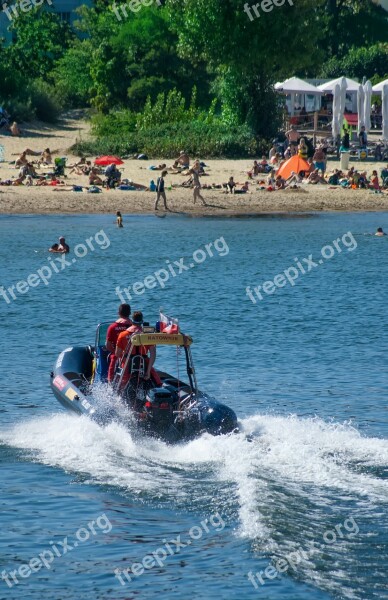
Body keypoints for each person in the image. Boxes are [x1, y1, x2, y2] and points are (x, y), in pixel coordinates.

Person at [115, 311, 162, 388]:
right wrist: (148, 371)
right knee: (157, 382)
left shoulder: (122, 335)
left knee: (120, 385)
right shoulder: (147, 335)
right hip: (143, 363)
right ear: (142, 321)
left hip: (127, 363)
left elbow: (117, 353)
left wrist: (125, 358)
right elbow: (153, 354)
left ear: (132, 320)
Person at [106, 303, 132, 382]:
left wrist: (117, 352)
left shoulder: (112, 327)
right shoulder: (134, 326)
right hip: (133, 355)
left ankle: (110, 382)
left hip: (119, 355)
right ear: (130, 313)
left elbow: (108, 345)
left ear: (119, 313)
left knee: (113, 357)